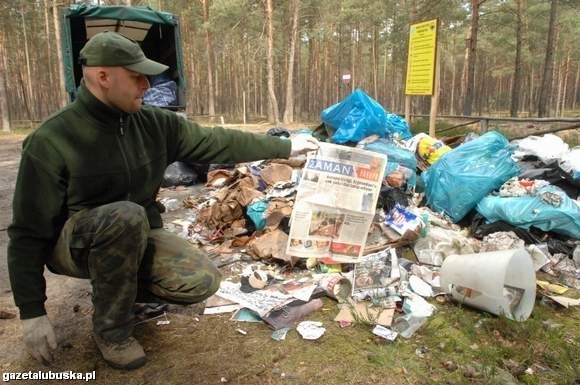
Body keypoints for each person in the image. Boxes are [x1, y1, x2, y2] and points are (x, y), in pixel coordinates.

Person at [7, 31, 319, 370]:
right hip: (73, 243)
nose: (147, 84)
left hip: (133, 233)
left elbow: (218, 140)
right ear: (102, 77)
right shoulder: (53, 139)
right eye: (137, 76)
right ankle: (113, 332)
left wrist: (285, 149)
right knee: (125, 216)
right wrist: (32, 311)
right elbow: (27, 232)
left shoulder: (152, 123)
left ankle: (121, 291)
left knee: (201, 279)